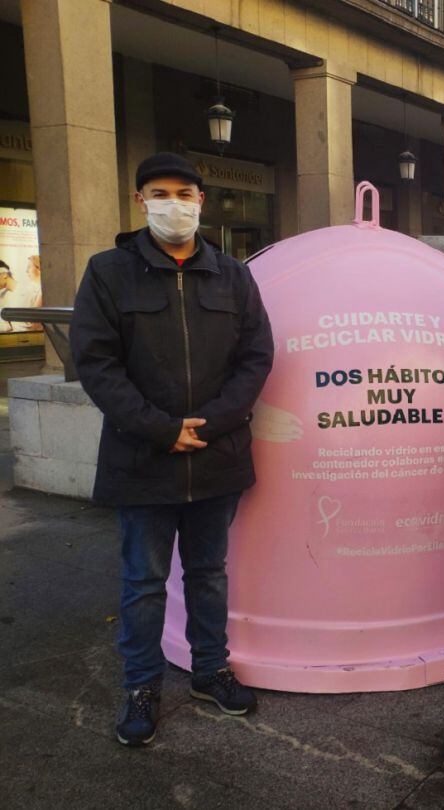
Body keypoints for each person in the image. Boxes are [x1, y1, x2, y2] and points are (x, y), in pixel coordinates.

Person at [70, 152, 274, 747]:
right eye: (160, 193)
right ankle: (141, 686)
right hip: (143, 457)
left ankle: (211, 671)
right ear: (140, 201)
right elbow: (97, 364)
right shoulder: (108, 271)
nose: (173, 204)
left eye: (184, 193)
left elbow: (256, 357)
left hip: (217, 454)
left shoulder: (232, 274)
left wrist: (207, 425)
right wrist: (162, 428)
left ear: (201, 201)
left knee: (209, 574)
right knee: (144, 580)